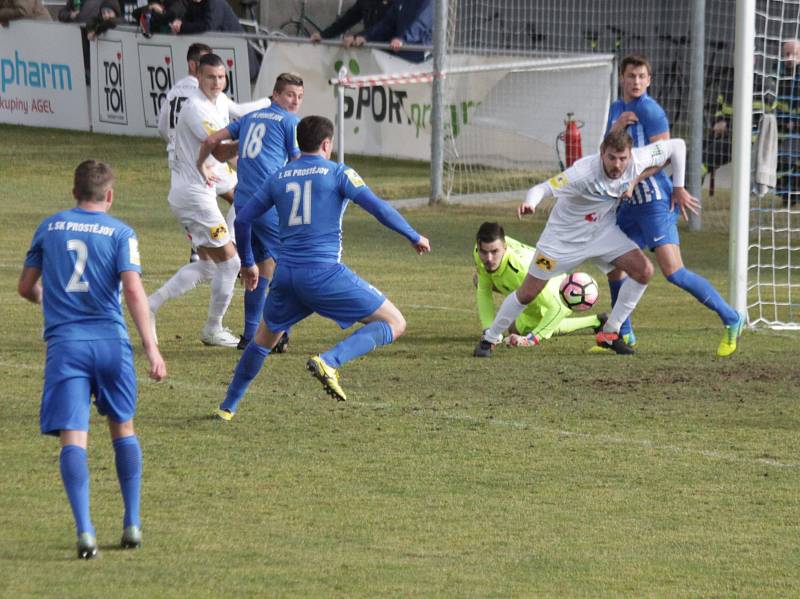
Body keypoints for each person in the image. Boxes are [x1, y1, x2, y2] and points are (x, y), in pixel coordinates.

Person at [215, 115, 430, 420]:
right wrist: (413, 235)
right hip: (324, 274)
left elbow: (243, 218)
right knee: (394, 322)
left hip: (285, 276)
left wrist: (249, 263)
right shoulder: (339, 173)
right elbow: (379, 208)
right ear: (327, 144)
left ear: (299, 142)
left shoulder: (279, 176)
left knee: (263, 340)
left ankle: (227, 407)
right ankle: (330, 361)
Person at [17, 160, 166, 559]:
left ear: (74, 192)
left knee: (74, 436)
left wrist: (45, 299)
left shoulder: (49, 227)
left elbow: (26, 287)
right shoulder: (121, 232)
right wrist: (151, 348)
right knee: (123, 429)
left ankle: (85, 533)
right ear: (110, 195)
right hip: (111, 345)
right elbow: (134, 292)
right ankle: (132, 523)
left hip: (67, 346)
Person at [474, 130, 696, 358]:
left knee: (644, 271)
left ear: (630, 155)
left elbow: (677, 145)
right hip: (559, 242)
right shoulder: (582, 173)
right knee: (528, 292)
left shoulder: (638, 159)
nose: (617, 165)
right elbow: (541, 188)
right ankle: (489, 339)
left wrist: (678, 187)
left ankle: (609, 333)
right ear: (602, 153)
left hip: (601, 233)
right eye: (611, 158)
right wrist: (530, 203)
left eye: (622, 158)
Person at [606, 54, 744, 357]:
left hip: (654, 200)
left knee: (673, 271)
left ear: (649, 80)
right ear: (622, 78)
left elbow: (665, 156)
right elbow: (609, 149)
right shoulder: (617, 108)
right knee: (615, 266)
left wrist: (670, 186)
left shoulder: (651, 111)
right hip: (629, 203)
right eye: (631, 76)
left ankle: (732, 317)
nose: (636, 81)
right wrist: (616, 125)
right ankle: (622, 334)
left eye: (642, 76)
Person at [148, 53, 270, 347]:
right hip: (193, 196)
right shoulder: (194, 108)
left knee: (210, 266)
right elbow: (219, 149)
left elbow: (239, 111)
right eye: (210, 78)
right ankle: (212, 329)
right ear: (197, 78)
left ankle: (150, 304)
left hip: (197, 191)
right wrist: (256, 135)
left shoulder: (220, 100)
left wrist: (268, 105)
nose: (216, 83)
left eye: (221, 77)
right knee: (230, 264)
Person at [197, 72, 304, 351]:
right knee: (288, 267)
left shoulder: (250, 118)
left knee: (259, 268)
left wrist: (206, 163)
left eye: (300, 97)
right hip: (268, 204)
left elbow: (211, 142)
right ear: (276, 95)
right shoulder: (290, 122)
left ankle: (248, 336)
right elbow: (296, 165)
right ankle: (279, 336)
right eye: (290, 95)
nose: (295, 101)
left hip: (243, 204)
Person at [473, 221, 606, 347]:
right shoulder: (480, 252)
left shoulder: (522, 270)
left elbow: (561, 307)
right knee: (478, 280)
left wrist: (532, 339)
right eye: (484, 252)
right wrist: (488, 330)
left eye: (494, 252)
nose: (489, 258)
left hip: (556, 287)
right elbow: (483, 290)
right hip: (540, 268)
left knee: (525, 329)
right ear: (478, 246)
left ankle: (596, 320)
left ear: (505, 247)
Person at [157, 42, 212, 264]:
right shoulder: (201, 94)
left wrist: (173, 141)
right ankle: (225, 249)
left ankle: (199, 250)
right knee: (236, 196)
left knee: (190, 206)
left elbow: (161, 126)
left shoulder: (175, 90)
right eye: (205, 62)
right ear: (192, 64)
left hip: (175, 156)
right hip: (199, 156)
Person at [169, 0, 260, 81]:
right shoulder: (193, 4)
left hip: (241, 64)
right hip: (222, 63)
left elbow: (209, 26)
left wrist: (182, 27)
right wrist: (178, 27)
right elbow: (188, 25)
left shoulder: (215, 3)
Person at [351, 0, 432, 62]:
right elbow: (387, 24)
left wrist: (403, 39)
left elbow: (421, 22)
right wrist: (365, 36)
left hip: (421, 58)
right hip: (400, 57)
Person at [309, 0, 392, 46]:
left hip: (390, 53)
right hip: (369, 49)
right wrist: (324, 35)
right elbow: (348, 19)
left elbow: (386, 25)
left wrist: (360, 36)